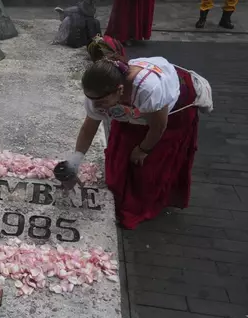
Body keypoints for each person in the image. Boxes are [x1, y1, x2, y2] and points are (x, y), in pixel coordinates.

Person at [55, 55, 211, 230]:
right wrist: (75, 162)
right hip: (136, 107)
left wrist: (143, 149)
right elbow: (88, 128)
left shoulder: (149, 90)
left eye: (102, 102)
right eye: (94, 102)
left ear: (119, 90)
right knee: (120, 157)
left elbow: (159, 126)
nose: (98, 106)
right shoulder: (97, 95)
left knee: (147, 168)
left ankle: (148, 203)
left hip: (171, 111)